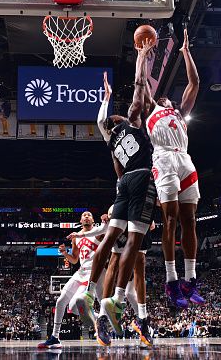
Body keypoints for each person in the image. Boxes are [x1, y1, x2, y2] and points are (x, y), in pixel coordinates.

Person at [78, 38, 156, 347]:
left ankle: (97, 302)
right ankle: (120, 304)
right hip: (140, 183)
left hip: (122, 189)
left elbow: (99, 120)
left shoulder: (111, 141)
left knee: (115, 249)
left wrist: (106, 96)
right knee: (136, 257)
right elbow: (139, 86)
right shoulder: (133, 121)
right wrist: (140, 56)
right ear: (121, 118)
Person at [142, 28, 203, 308]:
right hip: (164, 158)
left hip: (185, 158)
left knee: (190, 221)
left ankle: (190, 280)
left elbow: (194, 82)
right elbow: (142, 83)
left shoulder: (180, 112)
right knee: (170, 219)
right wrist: (143, 55)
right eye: (163, 98)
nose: (166, 98)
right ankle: (171, 280)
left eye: (168, 98)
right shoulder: (151, 109)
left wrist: (187, 52)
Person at [69, 205, 155, 346]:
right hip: (127, 217)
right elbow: (103, 229)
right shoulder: (120, 204)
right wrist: (81, 234)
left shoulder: (145, 198)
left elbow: (152, 225)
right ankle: (102, 317)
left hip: (138, 220)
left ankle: (142, 319)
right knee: (114, 260)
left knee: (133, 282)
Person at [38, 211, 105, 349]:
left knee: (75, 306)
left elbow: (108, 230)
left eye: (89, 215)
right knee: (61, 302)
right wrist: (64, 253)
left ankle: (99, 317)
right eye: (84, 215)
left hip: (92, 273)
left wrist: (106, 221)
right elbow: (74, 260)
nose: (86, 216)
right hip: (80, 272)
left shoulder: (98, 232)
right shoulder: (76, 237)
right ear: (80, 220)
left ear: (93, 220)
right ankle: (55, 337)